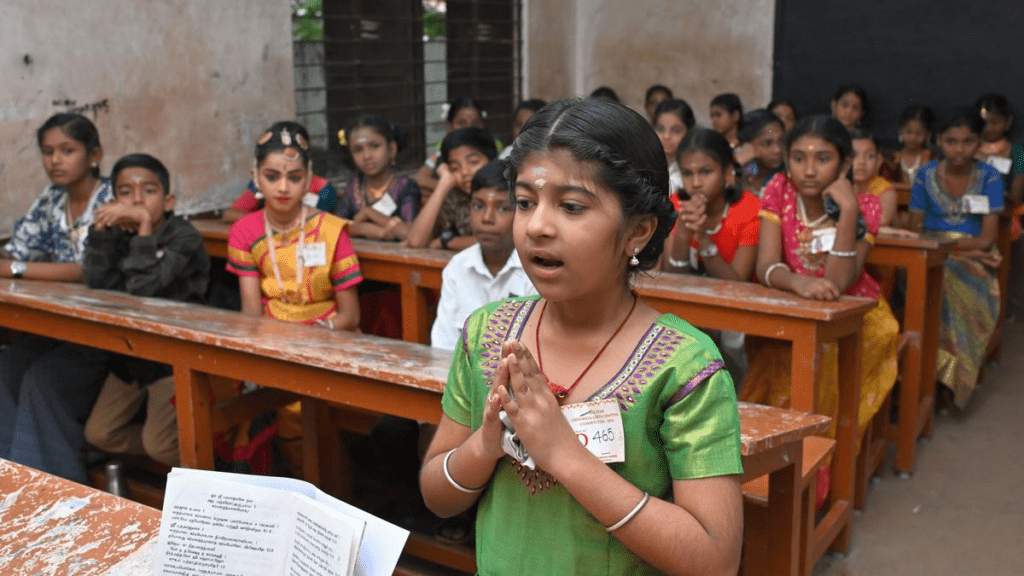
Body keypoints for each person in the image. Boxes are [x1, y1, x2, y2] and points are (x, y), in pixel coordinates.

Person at [420, 98, 743, 575]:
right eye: (526, 202)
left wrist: (566, 456)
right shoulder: (488, 336)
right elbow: (436, 496)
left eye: (571, 207)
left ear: (638, 231)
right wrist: (484, 446)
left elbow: (715, 560)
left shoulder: (685, 367)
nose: (537, 227)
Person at [743, 115, 899, 505]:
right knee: (770, 363)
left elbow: (840, 282)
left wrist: (847, 211)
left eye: (823, 158)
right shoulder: (778, 189)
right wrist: (799, 283)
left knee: (825, 374)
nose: (808, 169)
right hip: (795, 307)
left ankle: (817, 487)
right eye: (798, 157)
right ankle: (766, 478)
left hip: (857, 317)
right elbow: (765, 266)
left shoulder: (865, 205)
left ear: (844, 165)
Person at [0, 113, 115, 483]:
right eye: (47, 151)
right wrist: (15, 264)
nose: (55, 161)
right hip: (63, 322)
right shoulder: (51, 199)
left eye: (68, 150)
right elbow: (17, 249)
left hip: (110, 328)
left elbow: (89, 270)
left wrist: (17, 270)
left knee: (41, 380)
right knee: (6, 367)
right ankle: (11, 478)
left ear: (94, 154)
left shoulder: (114, 196)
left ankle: (53, 490)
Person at [82, 154, 210, 466]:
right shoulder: (116, 234)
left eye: (148, 191)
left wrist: (144, 229)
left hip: (178, 355)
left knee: (160, 446)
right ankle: (174, 457)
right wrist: (100, 230)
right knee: (99, 434)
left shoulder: (184, 236)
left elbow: (145, 289)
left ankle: (208, 462)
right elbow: (97, 283)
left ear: (168, 201)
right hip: (134, 354)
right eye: (125, 193)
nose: (137, 200)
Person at [908, 108, 1003, 409]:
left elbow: (987, 239)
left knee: (952, 281)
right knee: (928, 279)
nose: (959, 149)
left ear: (978, 143)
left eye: (967, 141)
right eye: (951, 141)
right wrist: (944, 249)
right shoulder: (925, 176)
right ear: (938, 141)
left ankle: (949, 380)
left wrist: (955, 249)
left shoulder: (991, 176)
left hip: (975, 255)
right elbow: (915, 229)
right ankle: (926, 376)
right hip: (932, 250)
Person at [226, 121, 362, 329]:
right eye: (271, 177)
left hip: (329, 336)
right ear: (256, 177)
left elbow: (350, 315)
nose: (283, 188)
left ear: (308, 179)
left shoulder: (332, 231)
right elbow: (251, 314)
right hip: (270, 333)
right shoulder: (244, 231)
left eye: (294, 178)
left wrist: (321, 333)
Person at [430, 159, 537, 350]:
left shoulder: (535, 270)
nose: (487, 218)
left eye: (503, 208)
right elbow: (443, 346)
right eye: (478, 206)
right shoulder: (457, 267)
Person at [666, 128, 760, 281]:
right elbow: (672, 279)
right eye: (687, 173)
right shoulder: (676, 204)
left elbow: (736, 285)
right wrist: (682, 234)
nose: (696, 183)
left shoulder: (748, 209)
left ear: (728, 173)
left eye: (706, 172)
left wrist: (703, 239)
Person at [221, 122, 336, 224]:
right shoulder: (261, 184)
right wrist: (265, 221)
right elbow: (230, 214)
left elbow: (319, 222)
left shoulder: (324, 190)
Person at [404, 127, 498, 250]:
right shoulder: (454, 197)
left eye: (473, 162)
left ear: (493, 161)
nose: (464, 172)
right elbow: (416, 241)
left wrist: (448, 242)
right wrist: (443, 185)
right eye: (454, 168)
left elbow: (504, 239)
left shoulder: (508, 192)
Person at [336, 114, 420, 241]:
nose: (367, 156)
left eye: (374, 146)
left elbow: (410, 234)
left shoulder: (405, 187)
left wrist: (369, 213)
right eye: (358, 150)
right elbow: (338, 226)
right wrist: (367, 229)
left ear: (392, 149)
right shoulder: (354, 186)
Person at [414, 97, 494, 197]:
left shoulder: (488, 148)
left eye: (475, 123)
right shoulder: (444, 153)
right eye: (462, 123)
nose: (468, 128)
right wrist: (449, 187)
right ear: (449, 127)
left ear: (483, 125)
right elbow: (418, 179)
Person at [881, 105, 936, 199]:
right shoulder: (891, 160)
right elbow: (883, 186)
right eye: (908, 132)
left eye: (919, 133)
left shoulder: (932, 159)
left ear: (928, 135)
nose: (913, 138)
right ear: (900, 130)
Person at [850, 128, 900, 228]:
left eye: (870, 156)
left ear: (878, 162)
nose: (861, 162)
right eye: (854, 155)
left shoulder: (886, 191)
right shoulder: (835, 184)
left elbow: (882, 220)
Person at [736, 109, 786, 197]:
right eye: (767, 143)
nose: (777, 149)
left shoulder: (788, 176)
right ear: (747, 145)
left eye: (781, 141)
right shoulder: (743, 171)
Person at [652, 98, 696, 197]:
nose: (666, 136)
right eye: (660, 129)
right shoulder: (647, 167)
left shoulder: (695, 172)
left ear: (689, 132)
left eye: (676, 130)